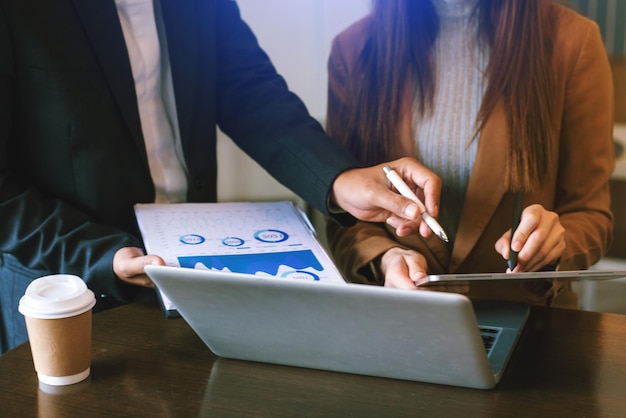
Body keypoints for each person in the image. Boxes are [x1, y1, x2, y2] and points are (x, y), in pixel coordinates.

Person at [0, 0, 441, 353]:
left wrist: (340, 180)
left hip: (196, 284)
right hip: (67, 299)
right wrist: (103, 255)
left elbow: (249, 92)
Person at [325, 0, 614, 308]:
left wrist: (557, 244)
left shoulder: (573, 40)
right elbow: (345, 214)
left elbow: (592, 214)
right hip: (400, 321)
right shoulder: (353, 48)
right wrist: (385, 256)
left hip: (529, 324)